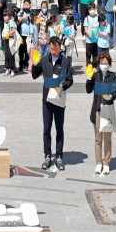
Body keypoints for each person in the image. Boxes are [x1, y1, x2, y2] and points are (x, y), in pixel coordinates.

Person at [30, 35, 74, 171]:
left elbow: (70, 80)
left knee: (59, 129)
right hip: (47, 100)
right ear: (49, 47)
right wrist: (35, 63)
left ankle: (59, 156)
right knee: (47, 129)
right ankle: (48, 155)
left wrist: (64, 85)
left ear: (60, 48)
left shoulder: (65, 61)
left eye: (56, 49)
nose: (54, 52)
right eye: (52, 49)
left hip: (59, 99)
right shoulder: (45, 60)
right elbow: (35, 75)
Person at [85, 49, 116, 176]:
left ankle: (106, 163)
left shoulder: (112, 76)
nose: (103, 65)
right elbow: (88, 90)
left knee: (107, 139)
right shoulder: (96, 75)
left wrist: (111, 97)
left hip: (108, 109)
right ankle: (98, 162)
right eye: (102, 63)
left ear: (109, 64)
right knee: (98, 139)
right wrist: (89, 78)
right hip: (97, 109)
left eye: (106, 63)